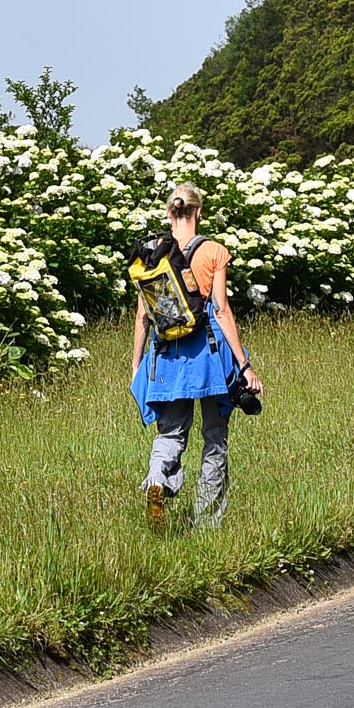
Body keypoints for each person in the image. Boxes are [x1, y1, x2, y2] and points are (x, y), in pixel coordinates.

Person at [129, 183, 260, 528]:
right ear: (198, 212)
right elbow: (221, 310)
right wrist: (244, 365)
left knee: (170, 434)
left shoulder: (152, 254)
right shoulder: (214, 251)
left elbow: (143, 315)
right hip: (210, 356)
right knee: (214, 437)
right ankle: (207, 521)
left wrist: (136, 364)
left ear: (170, 213)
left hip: (168, 356)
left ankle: (157, 480)